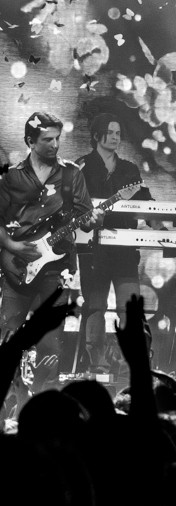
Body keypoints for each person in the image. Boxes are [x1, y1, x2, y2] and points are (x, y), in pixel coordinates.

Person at [0, 111, 94, 393]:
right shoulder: (11, 177)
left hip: (57, 266)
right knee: (8, 334)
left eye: (57, 139)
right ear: (30, 141)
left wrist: (92, 220)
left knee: (50, 341)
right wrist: (11, 247)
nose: (55, 145)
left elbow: (86, 217)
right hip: (17, 264)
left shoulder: (72, 174)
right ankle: (8, 400)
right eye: (47, 139)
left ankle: (44, 401)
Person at [76, 112, 152, 377]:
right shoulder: (82, 167)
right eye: (110, 132)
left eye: (118, 133)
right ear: (97, 135)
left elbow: (146, 202)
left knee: (130, 308)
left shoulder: (129, 169)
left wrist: (162, 222)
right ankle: (96, 365)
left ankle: (129, 367)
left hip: (124, 251)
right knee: (95, 306)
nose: (115, 137)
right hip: (93, 251)